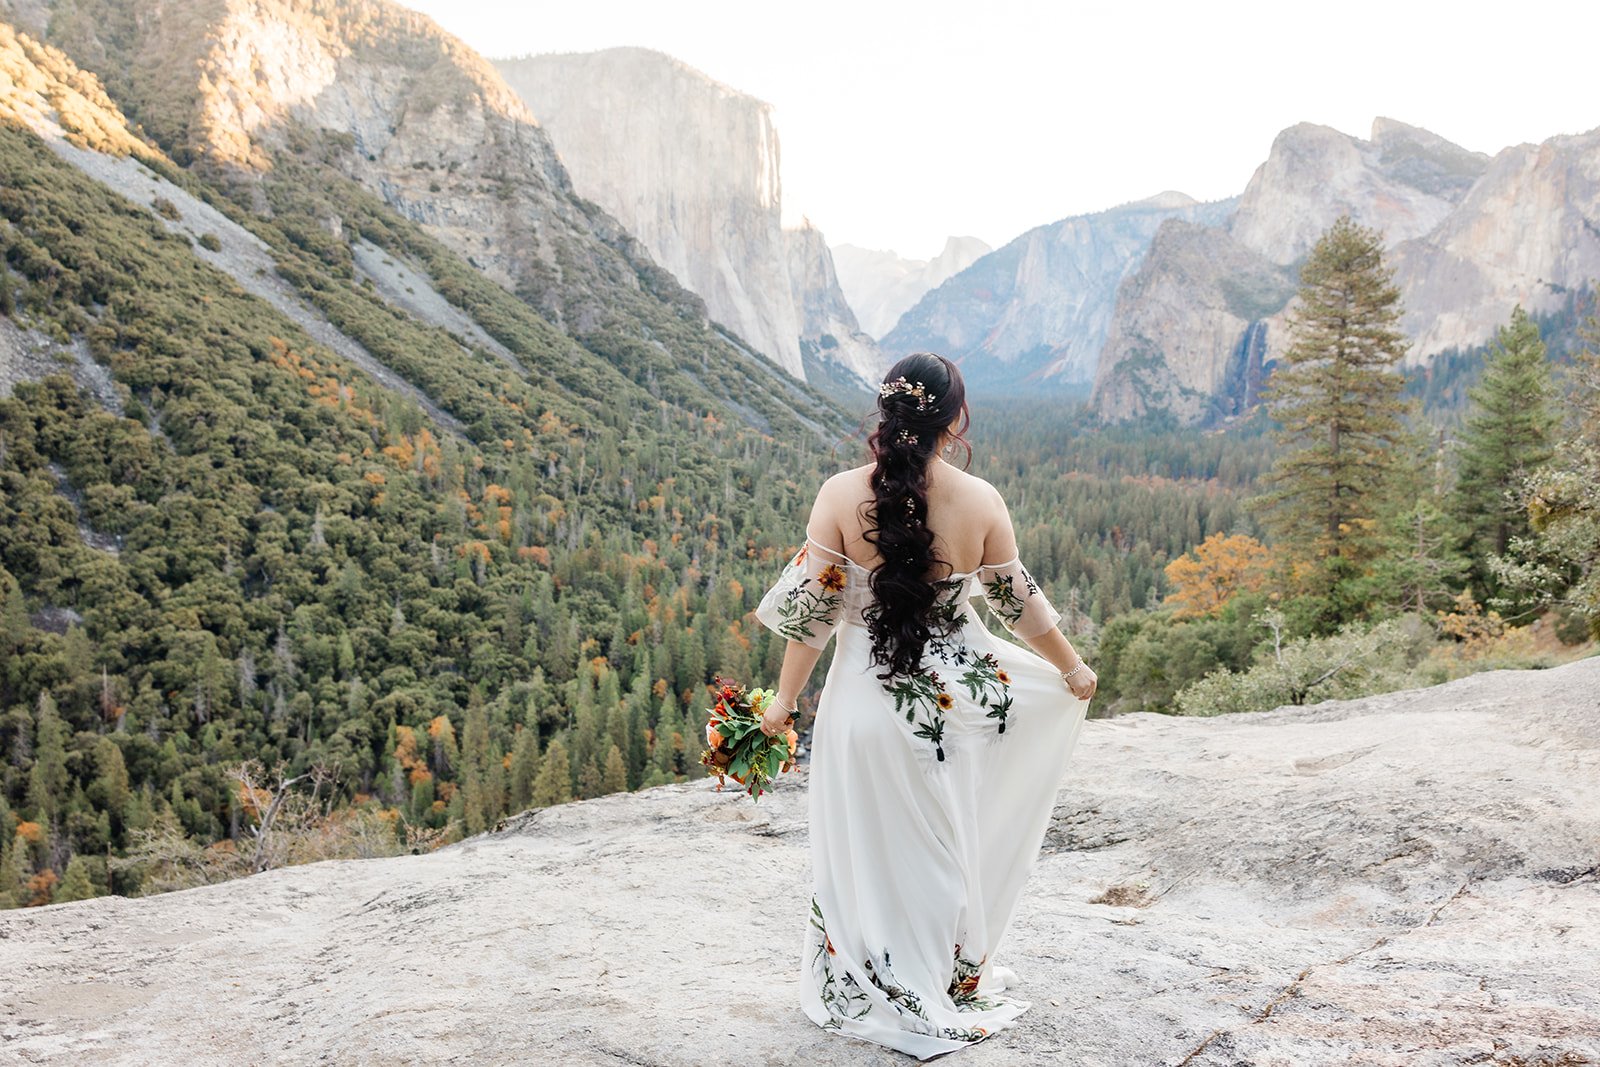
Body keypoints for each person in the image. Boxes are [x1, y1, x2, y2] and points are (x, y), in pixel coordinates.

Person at [752, 351, 1097, 1060]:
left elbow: (811, 619)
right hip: (954, 710)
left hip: (862, 708)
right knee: (943, 845)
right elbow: (1016, 604)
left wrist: (784, 701)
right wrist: (1072, 667)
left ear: (885, 415)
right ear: (954, 418)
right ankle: (937, 975)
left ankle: (872, 978)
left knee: (862, 847)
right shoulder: (982, 500)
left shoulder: (837, 494)